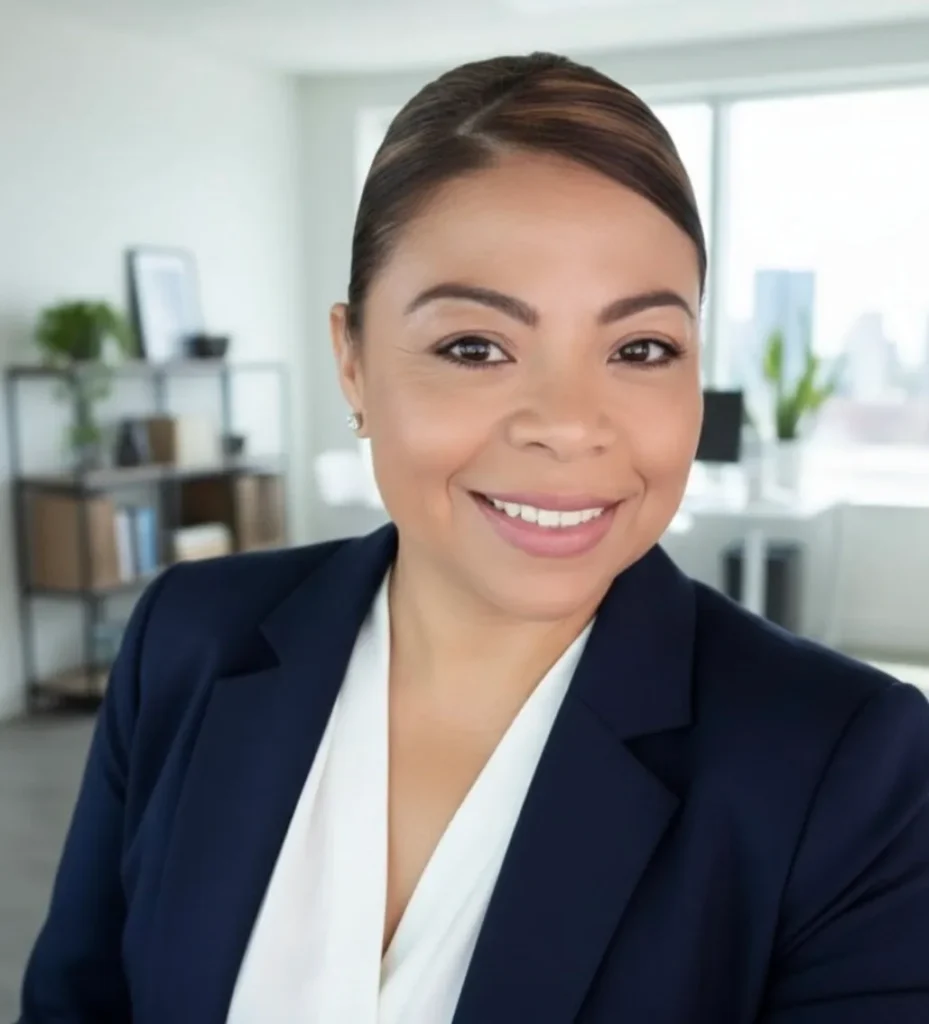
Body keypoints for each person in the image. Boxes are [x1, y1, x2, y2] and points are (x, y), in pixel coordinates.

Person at [19, 53, 929, 1024]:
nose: (567, 424)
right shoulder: (188, 640)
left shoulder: (852, 767)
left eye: (639, 349)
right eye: (474, 347)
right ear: (353, 362)